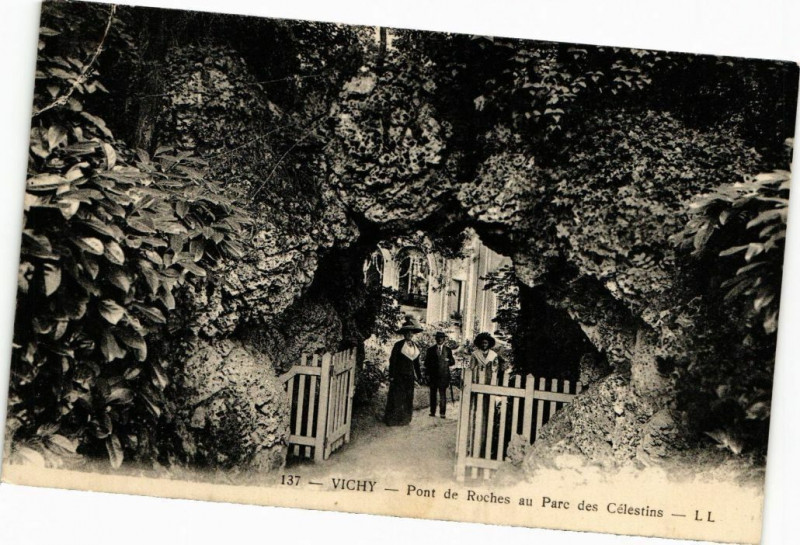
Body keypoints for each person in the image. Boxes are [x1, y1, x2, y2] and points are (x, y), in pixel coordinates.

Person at [384, 315, 423, 426]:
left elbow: (416, 363)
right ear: (404, 334)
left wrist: (419, 376)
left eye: (411, 333)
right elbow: (393, 361)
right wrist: (391, 375)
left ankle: (405, 419)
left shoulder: (415, 347)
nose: (409, 335)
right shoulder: (398, 345)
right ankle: (392, 419)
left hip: (409, 376)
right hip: (398, 376)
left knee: (408, 397)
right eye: (407, 333)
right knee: (396, 397)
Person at [424, 331, 455, 418]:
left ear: (444, 339)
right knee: (433, 394)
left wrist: (448, 360)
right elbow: (426, 363)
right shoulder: (430, 350)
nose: (439, 340)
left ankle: (442, 413)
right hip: (433, 376)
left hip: (444, 376)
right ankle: (432, 412)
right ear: (435, 339)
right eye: (438, 338)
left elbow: (453, 362)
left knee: (442, 394)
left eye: (441, 338)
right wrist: (426, 375)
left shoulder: (448, 350)